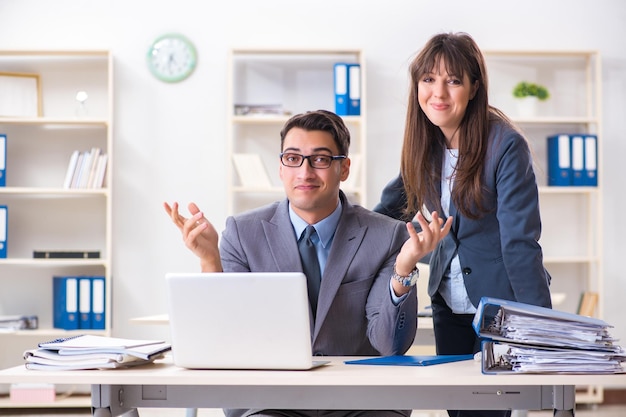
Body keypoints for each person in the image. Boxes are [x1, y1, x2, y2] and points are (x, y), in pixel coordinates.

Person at [165, 109, 453, 417]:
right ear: (280, 167)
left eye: (320, 159)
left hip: (362, 402)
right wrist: (211, 261)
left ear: (344, 168)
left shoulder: (387, 235)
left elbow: (389, 345)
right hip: (271, 401)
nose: (305, 172)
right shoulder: (242, 232)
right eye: (293, 158)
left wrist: (403, 270)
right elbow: (224, 339)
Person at [373, 33, 552, 417]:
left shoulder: (505, 145)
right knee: (460, 410)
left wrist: (543, 329)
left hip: (502, 308)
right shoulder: (426, 144)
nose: (438, 92)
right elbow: (383, 214)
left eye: (453, 80)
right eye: (428, 79)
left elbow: (521, 243)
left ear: (473, 87)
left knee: (491, 411)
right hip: (448, 303)